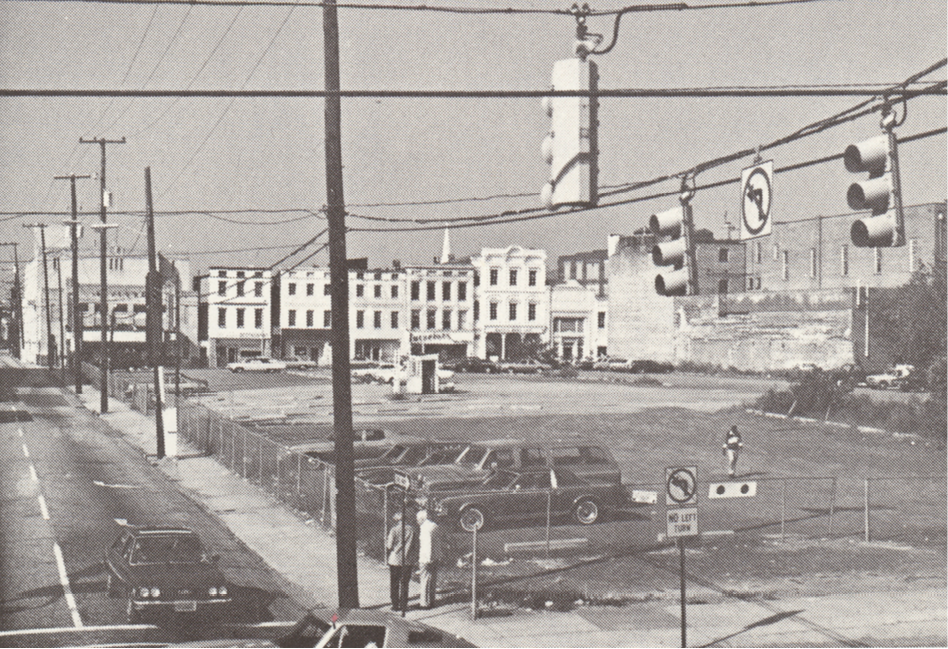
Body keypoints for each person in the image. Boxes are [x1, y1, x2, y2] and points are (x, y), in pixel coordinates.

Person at [386, 511, 417, 612]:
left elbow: (389, 546)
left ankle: (395, 605)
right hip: (407, 559)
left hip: (395, 559)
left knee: (394, 582)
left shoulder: (394, 530)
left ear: (397, 520)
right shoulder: (412, 530)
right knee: (405, 583)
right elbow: (416, 544)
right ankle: (404, 604)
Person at [416, 510, 443, 609]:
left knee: (424, 580)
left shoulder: (424, 528)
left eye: (418, 519)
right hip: (435, 557)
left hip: (426, 558)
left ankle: (424, 603)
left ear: (422, 519)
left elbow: (427, 544)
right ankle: (432, 600)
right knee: (432, 579)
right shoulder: (434, 526)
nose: (417, 521)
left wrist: (427, 558)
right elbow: (437, 543)